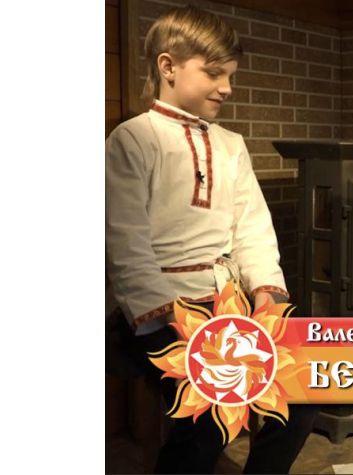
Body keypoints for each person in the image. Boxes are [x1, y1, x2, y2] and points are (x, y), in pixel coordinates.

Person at [105, 5, 316, 473]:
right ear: (168, 66)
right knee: (212, 411)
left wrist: (266, 294)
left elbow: (252, 227)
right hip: (159, 310)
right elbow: (126, 241)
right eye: (214, 73)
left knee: (302, 386)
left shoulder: (230, 145)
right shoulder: (132, 140)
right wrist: (173, 320)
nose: (227, 87)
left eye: (231, 76)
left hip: (227, 302)